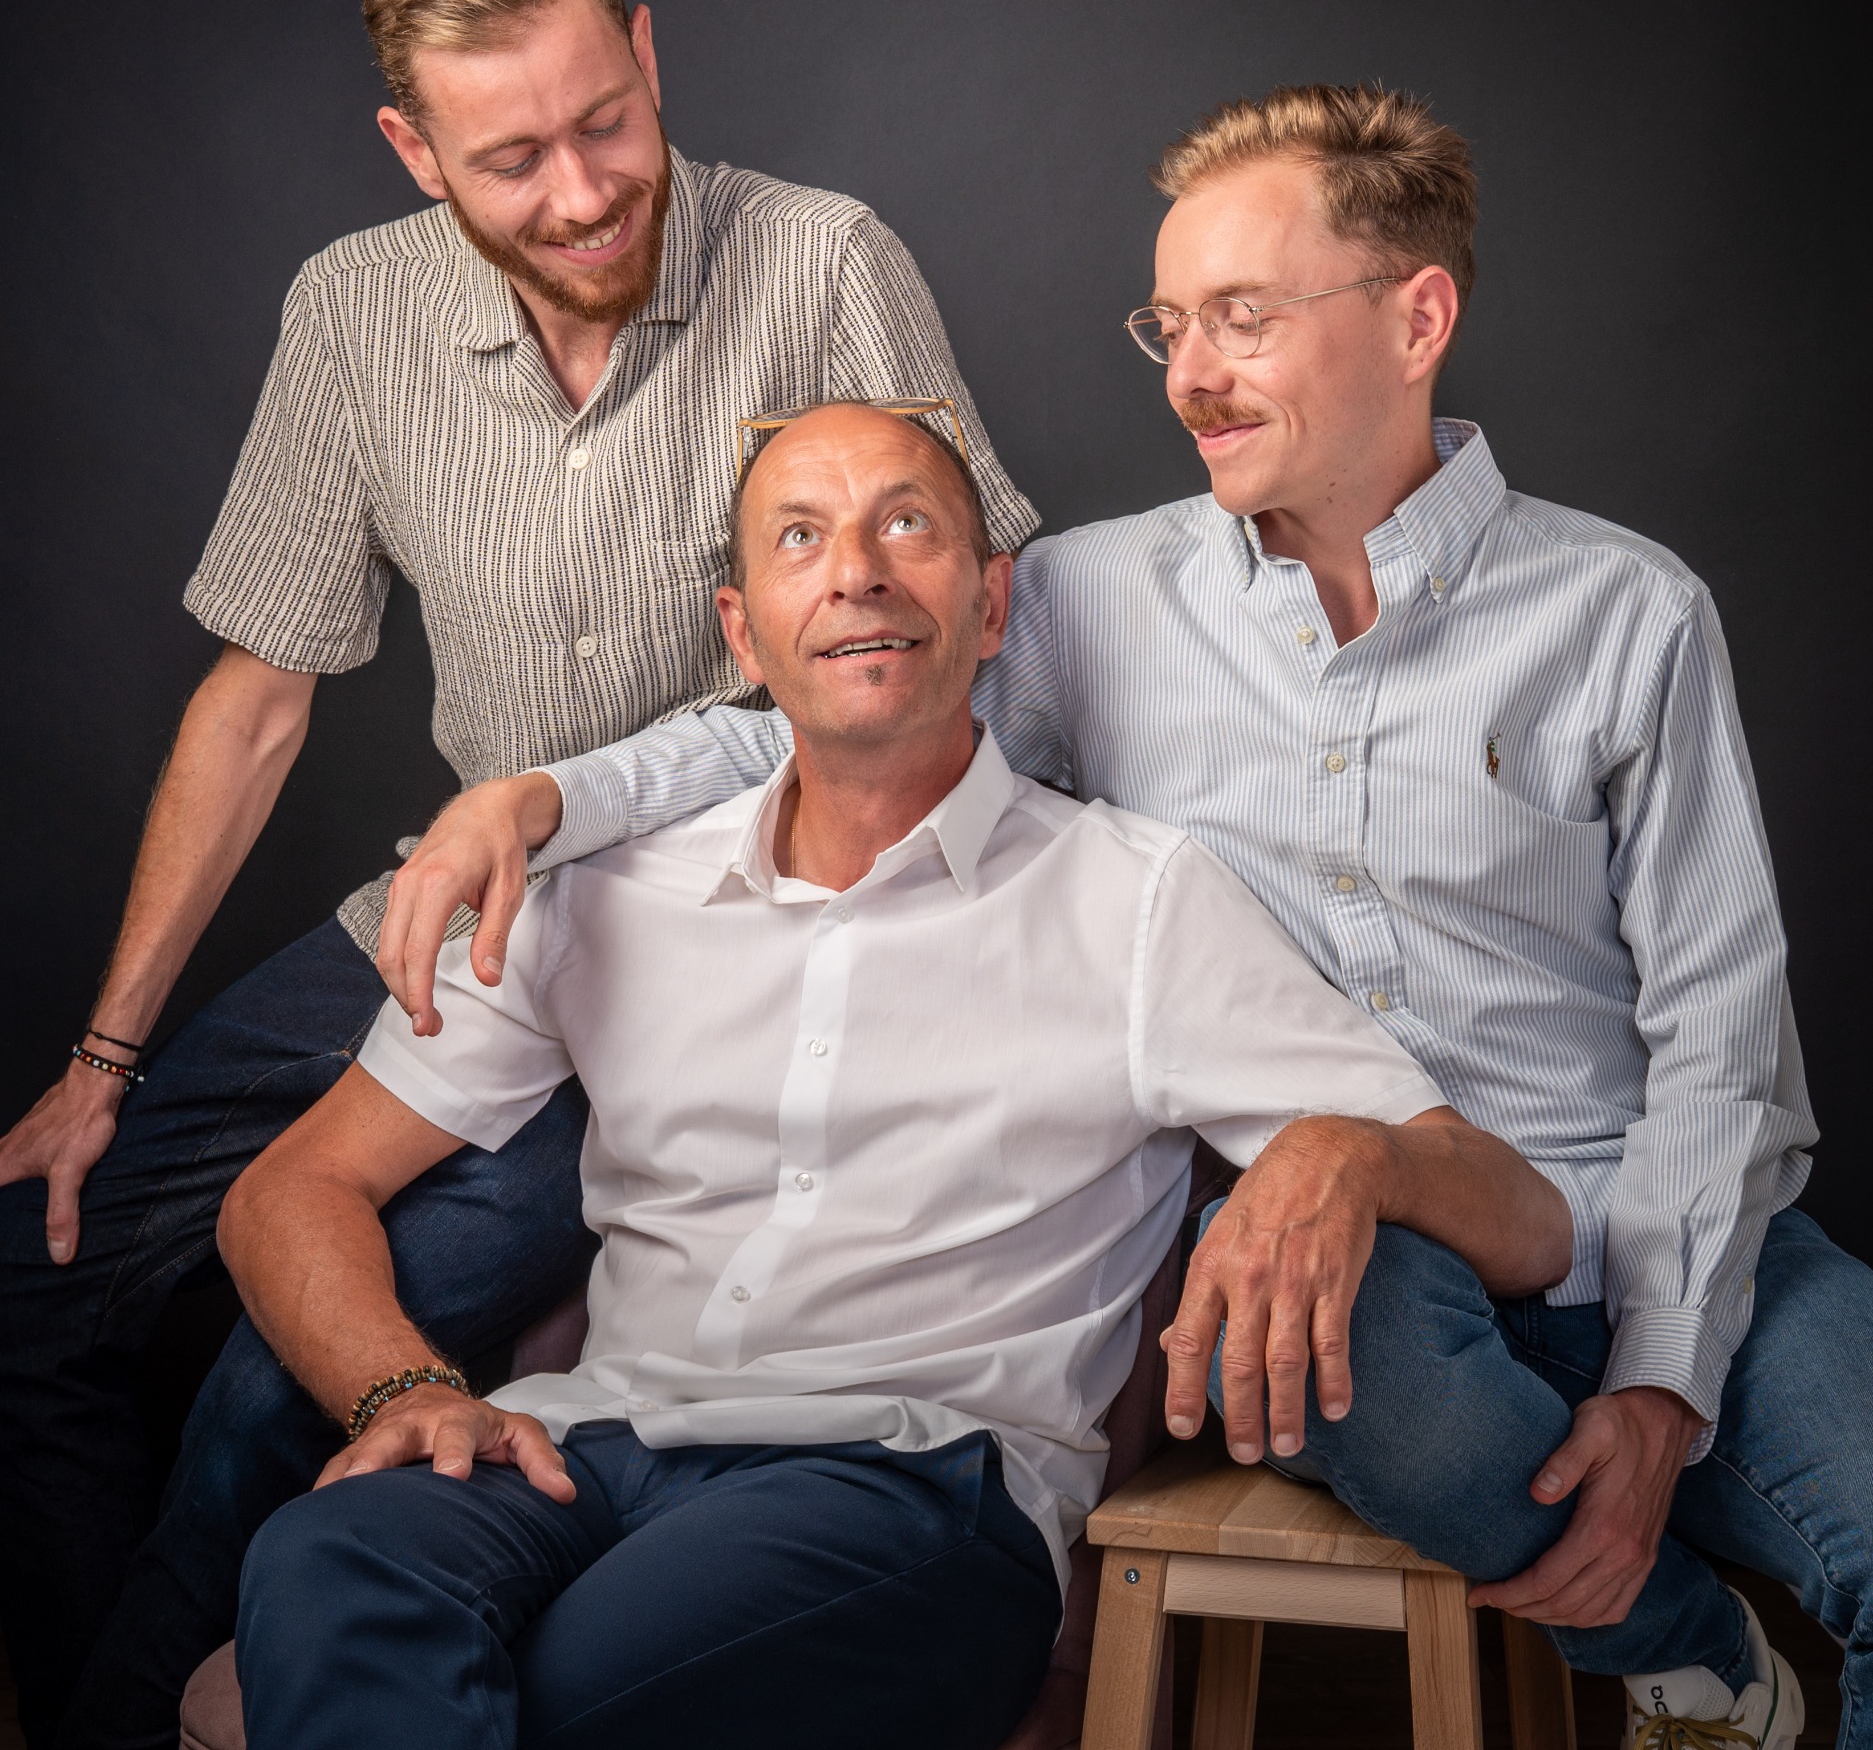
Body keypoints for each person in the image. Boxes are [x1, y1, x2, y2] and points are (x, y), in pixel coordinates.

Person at [395, 86, 1868, 1749]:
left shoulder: (1628, 612)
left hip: (1645, 1202)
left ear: (1417, 317)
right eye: (1168, 325)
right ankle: (1685, 1646)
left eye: (1243, 318)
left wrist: (1665, 1380)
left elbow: (1723, 1039)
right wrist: (545, 798)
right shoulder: (1091, 595)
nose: (1187, 374)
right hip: (1346, 1253)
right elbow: (821, 710)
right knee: (1369, 1389)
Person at [0, 0, 1037, 1749]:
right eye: (512, 157)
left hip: (705, 948)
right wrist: (104, 1055)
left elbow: (934, 631)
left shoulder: (822, 259)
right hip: (441, 916)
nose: (588, 189)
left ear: (649, 54)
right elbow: (263, 688)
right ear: (412, 149)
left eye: (608, 118)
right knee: (8, 1271)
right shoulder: (352, 310)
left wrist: (565, 799)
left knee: (293, 1376)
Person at [217, 401, 1571, 1750]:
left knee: (570, 1696)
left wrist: (1357, 1151)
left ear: (991, 607)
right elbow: (292, 1189)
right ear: (743, 634)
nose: (856, 569)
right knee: (325, 1563)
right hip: (576, 1449)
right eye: (800, 538)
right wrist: (407, 1394)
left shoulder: (1140, 901)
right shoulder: (612, 893)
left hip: (907, 1488)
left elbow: (1528, 1222)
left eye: (904, 525)